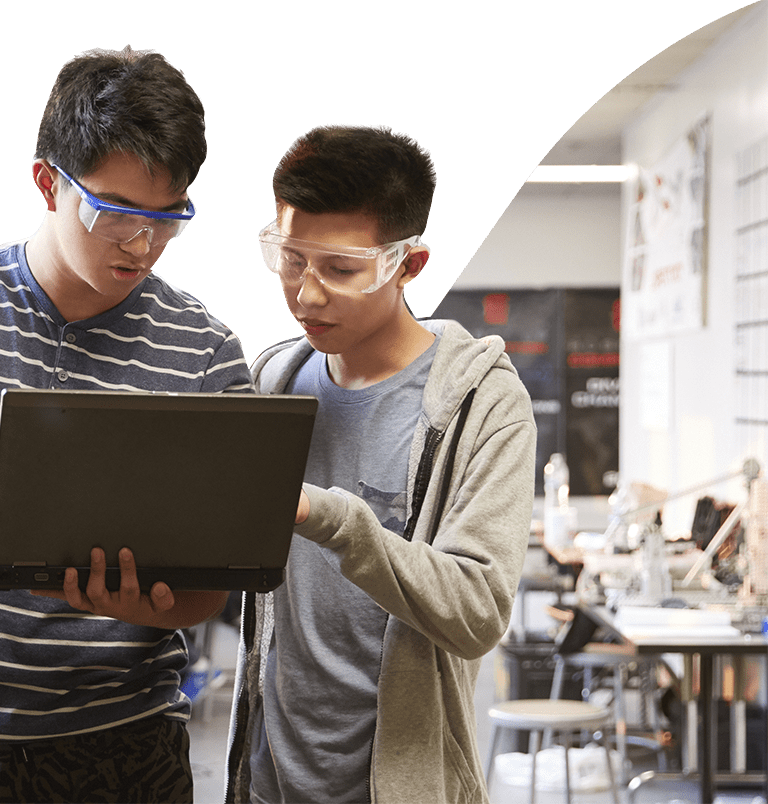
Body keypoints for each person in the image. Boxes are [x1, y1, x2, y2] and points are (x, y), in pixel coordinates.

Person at [0, 46, 251, 804]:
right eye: (117, 213)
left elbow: (207, 588)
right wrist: (125, 496)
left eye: (168, 218)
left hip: (123, 744)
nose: (143, 245)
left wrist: (131, 598)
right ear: (47, 182)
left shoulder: (207, 349)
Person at [225, 124, 536, 803]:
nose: (306, 294)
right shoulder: (275, 378)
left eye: (339, 270)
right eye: (290, 260)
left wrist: (331, 518)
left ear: (408, 264)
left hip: (397, 785)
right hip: (270, 778)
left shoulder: (482, 404)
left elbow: (478, 611)